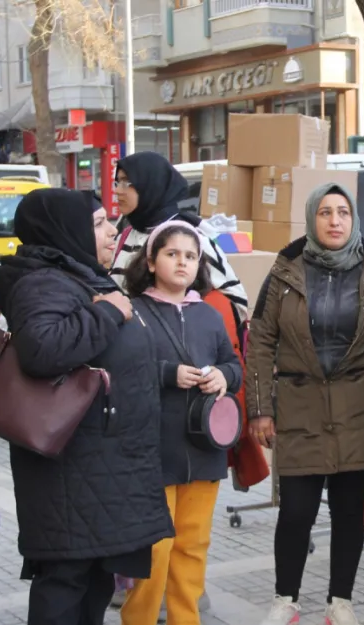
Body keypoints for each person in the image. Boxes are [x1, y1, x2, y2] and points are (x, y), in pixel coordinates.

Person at [0, 188, 174, 625]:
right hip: (73, 466)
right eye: (97, 223)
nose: (112, 230)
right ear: (65, 230)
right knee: (67, 578)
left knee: (92, 577)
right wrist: (109, 313)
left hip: (100, 462)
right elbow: (43, 348)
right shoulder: (43, 281)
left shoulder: (78, 275)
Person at [246, 183, 364, 625]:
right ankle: (286, 599)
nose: (335, 221)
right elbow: (260, 339)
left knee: (349, 510)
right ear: (311, 218)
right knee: (296, 509)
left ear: (353, 220)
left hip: (361, 407)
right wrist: (259, 407)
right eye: (325, 213)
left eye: (343, 213)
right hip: (300, 406)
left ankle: (341, 602)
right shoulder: (285, 270)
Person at [120, 220, 243, 625]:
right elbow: (121, 370)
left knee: (193, 544)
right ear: (151, 261)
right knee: (155, 546)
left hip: (204, 449)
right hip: (154, 448)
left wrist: (225, 376)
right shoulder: (134, 311)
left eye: (190, 256)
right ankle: (137, 617)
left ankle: (185, 618)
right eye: (172, 254)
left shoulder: (209, 313)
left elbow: (233, 364)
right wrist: (167, 374)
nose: (182, 262)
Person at [111, 151, 248, 319]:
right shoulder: (125, 236)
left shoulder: (190, 238)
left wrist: (189, 328)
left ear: (151, 185)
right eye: (117, 182)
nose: (117, 190)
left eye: (126, 182)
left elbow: (237, 301)